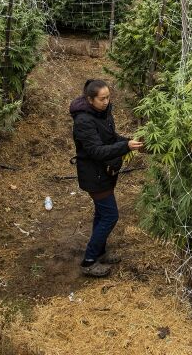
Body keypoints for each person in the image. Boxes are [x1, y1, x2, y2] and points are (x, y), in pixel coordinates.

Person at [69, 78, 142, 277]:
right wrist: (124, 146)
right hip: (94, 174)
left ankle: (99, 251)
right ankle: (89, 260)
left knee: (102, 214)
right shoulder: (83, 121)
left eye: (108, 97)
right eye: (102, 99)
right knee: (110, 215)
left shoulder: (102, 112)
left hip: (105, 172)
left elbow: (110, 137)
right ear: (90, 99)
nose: (107, 102)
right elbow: (96, 151)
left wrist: (128, 141)